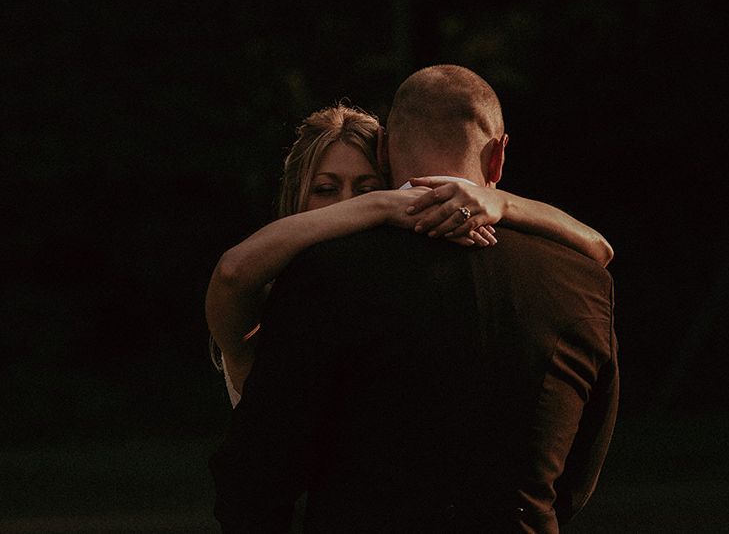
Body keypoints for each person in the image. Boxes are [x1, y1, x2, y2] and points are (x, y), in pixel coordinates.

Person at [209, 65, 618, 533]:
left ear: (383, 152)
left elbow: (256, 476)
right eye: (326, 190)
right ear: (498, 157)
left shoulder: (326, 277)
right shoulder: (584, 283)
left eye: (364, 189)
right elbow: (576, 478)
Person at [206, 104, 613, 407]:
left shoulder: (394, 295)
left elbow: (599, 247)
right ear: (295, 198)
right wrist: (379, 205)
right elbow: (231, 273)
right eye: (327, 189)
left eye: (366, 189)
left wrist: (500, 202)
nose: (344, 207)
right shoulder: (266, 307)